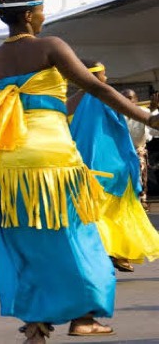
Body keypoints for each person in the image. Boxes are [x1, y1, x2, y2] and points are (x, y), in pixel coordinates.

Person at [0, 0, 159, 343]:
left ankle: (35, 325)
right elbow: (99, 89)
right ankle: (83, 318)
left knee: (29, 242)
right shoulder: (51, 46)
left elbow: (47, 105)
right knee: (79, 237)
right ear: (28, 15)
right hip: (53, 157)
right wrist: (149, 117)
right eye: (41, 10)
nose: (44, 16)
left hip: (11, 162)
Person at [67, 60, 159, 273]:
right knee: (117, 211)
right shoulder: (106, 94)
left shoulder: (70, 102)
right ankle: (117, 252)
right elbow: (133, 122)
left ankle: (101, 253)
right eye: (103, 74)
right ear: (93, 76)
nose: (106, 78)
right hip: (112, 165)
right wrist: (152, 115)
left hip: (82, 166)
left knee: (91, 212)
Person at [121, 89, 159, 211]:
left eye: (130, 98)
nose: (126, 100)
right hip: (119, 152)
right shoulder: (115, 113)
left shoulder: (144, 112)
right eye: (123, 98)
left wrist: (153, 110)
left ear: (136, 100)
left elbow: (154, 131)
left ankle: (141, 202)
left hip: (138, 151)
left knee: (139, 178)